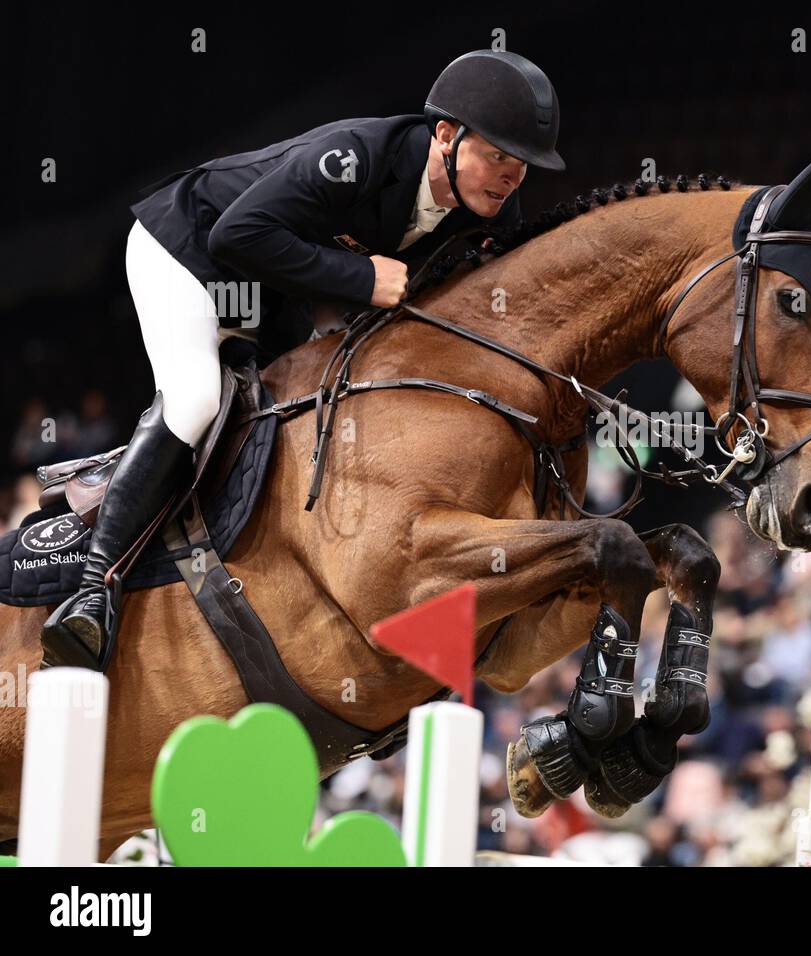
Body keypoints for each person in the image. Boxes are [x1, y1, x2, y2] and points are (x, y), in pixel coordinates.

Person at [42, 50, 565, 670]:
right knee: (195, 397)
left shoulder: (495, 213)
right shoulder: (357, 156)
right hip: (185, 249)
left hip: (269, 287)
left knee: (304, 417)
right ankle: (91, 592)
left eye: (522, 166)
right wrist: (358, 277)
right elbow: (234, 235)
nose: (509, 177)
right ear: (446, 135)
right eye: (498, 156)